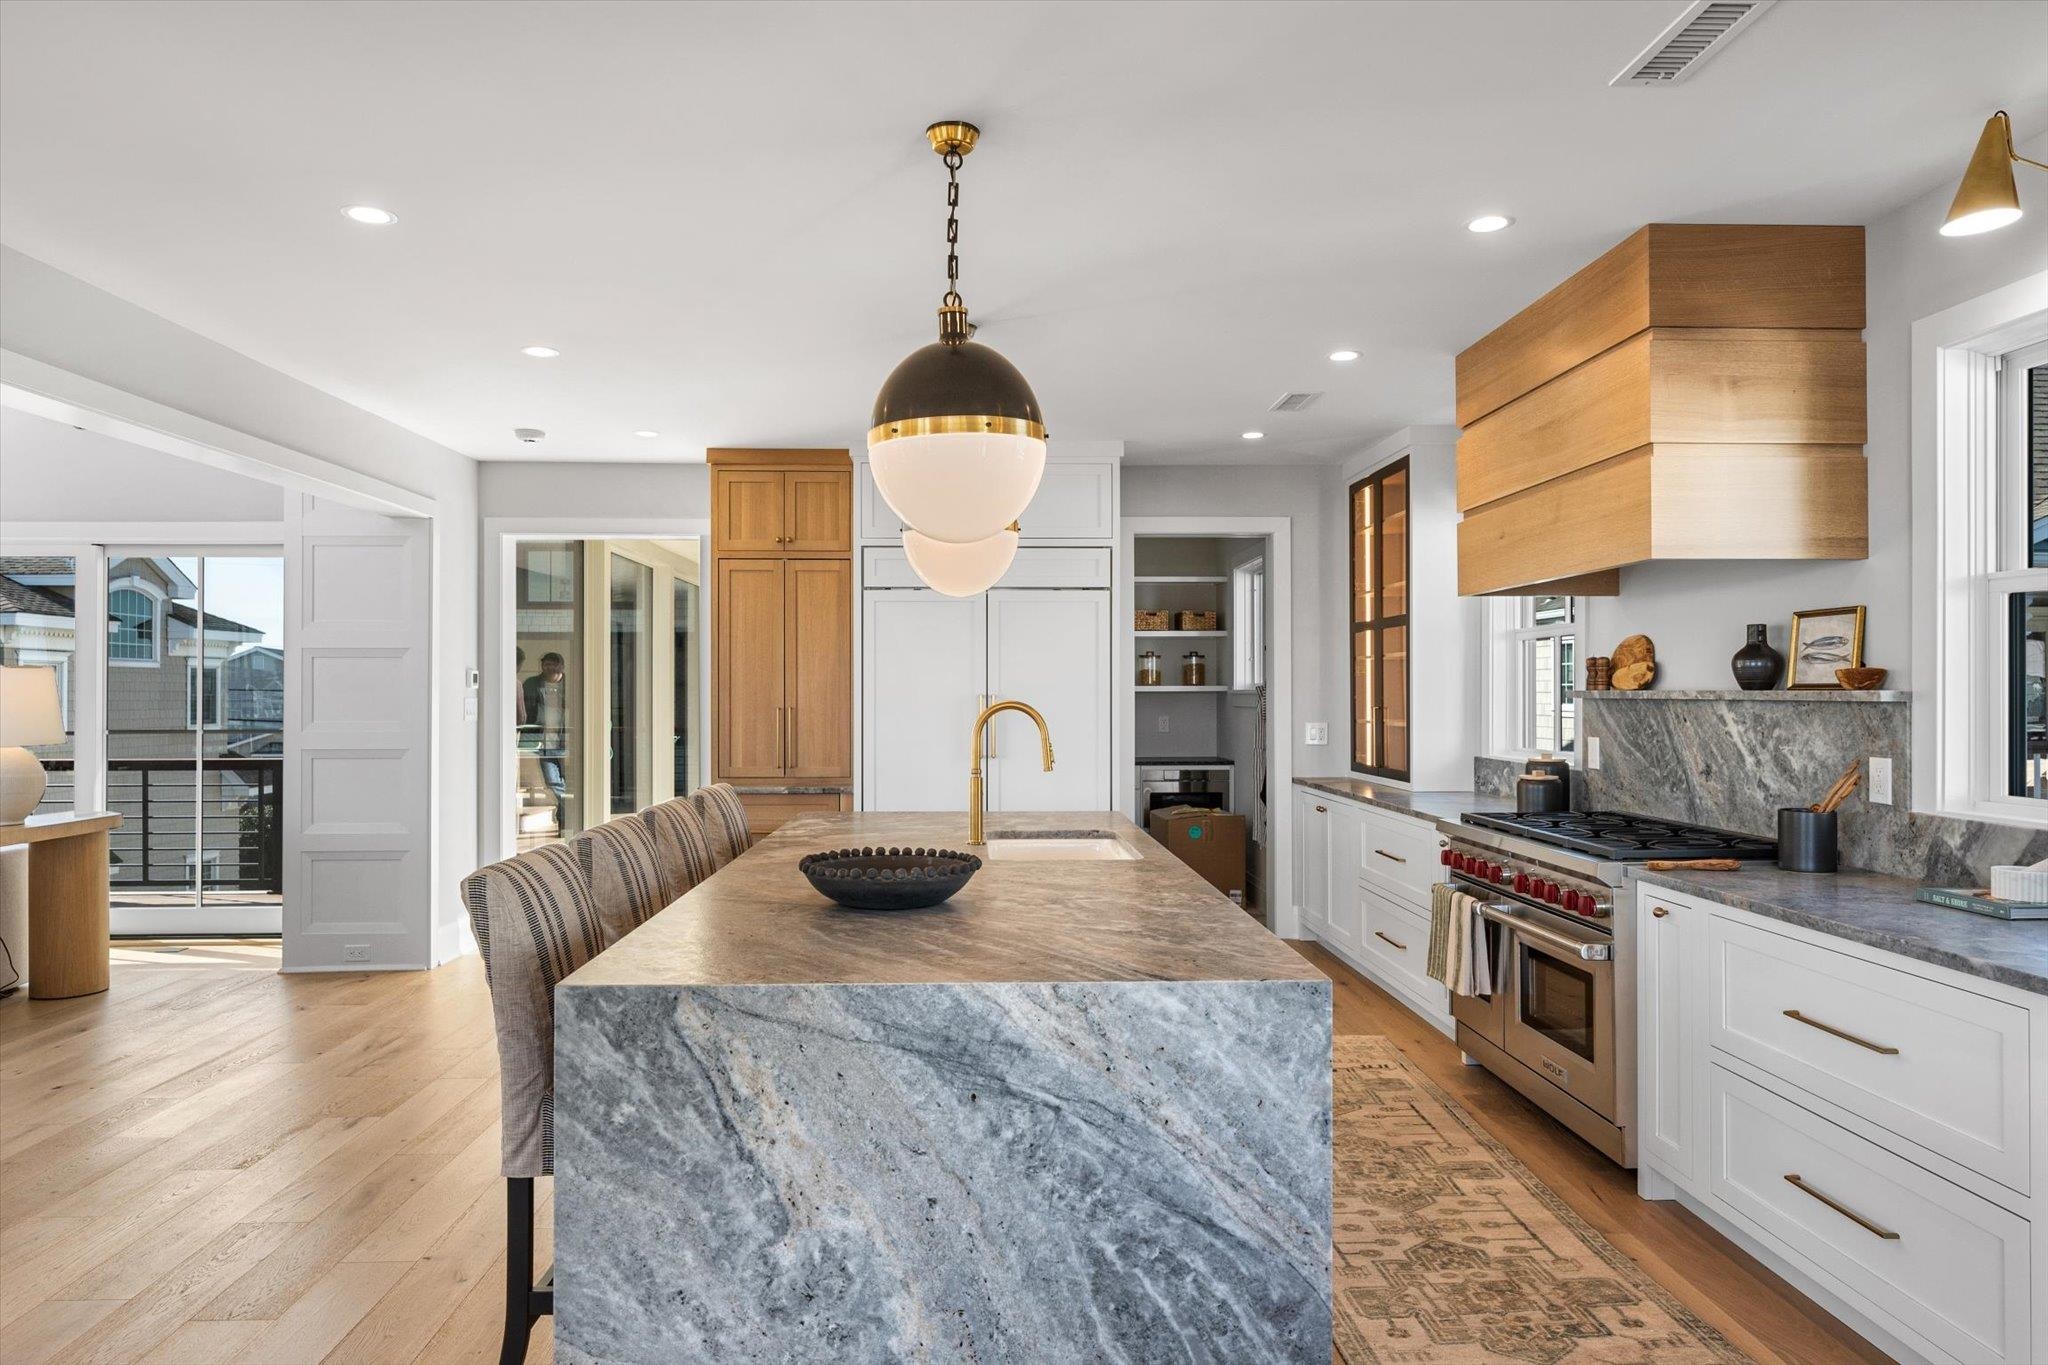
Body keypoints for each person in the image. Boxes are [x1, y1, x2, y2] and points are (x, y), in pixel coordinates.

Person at [521, 652, 569, 821]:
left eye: (554, 665)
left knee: (571, 782)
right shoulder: (532, 684)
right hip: (543, 743)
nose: (550, 668)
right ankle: (567, 812)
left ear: (562, 667)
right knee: (553, 782)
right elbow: (523, 712)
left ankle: (565, 814)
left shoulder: (573, 685)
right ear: (542, 666)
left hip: (568, 742)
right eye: (546, 664)